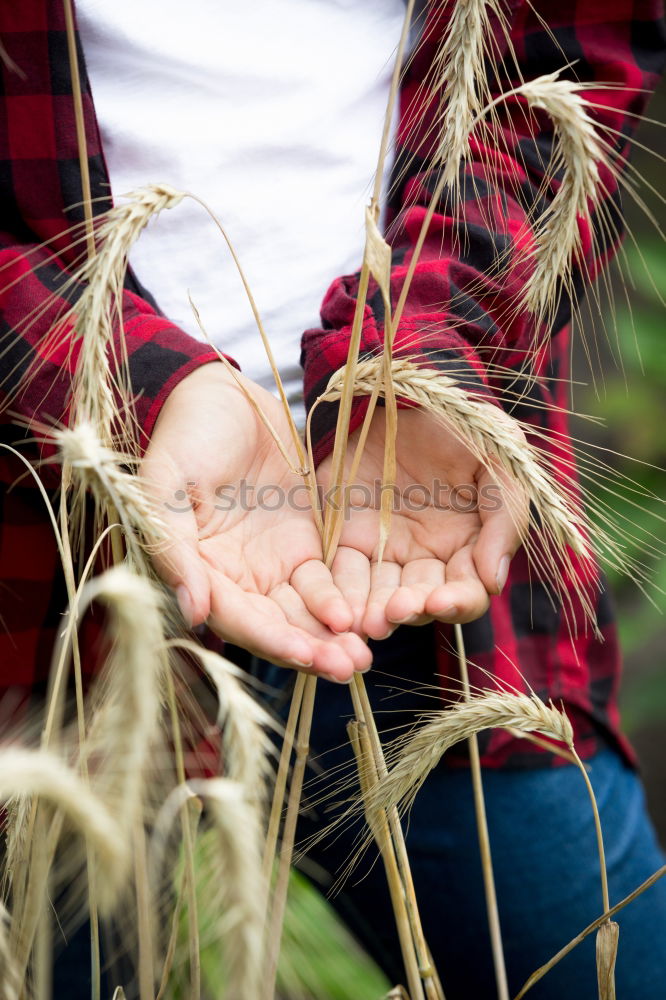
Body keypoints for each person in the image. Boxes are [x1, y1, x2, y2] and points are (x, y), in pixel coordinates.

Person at [0, 1, 665, 997]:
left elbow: (563, 52)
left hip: (412, 531)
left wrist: (440, 347)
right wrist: (134, 384)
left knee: (602, 962)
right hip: (38, 552)